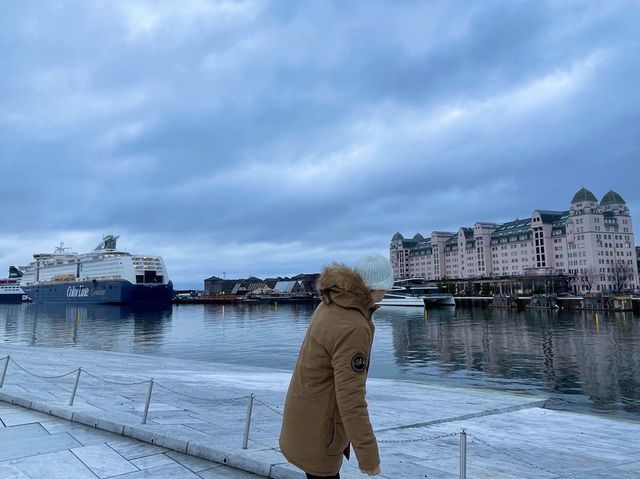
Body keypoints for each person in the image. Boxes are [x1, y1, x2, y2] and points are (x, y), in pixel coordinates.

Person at [279, 253, 394, 478]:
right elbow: (351, 398)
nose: (387, 292)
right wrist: (368, 456)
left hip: (304, 416)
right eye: (386, 286)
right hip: (321, 428)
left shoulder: (330, 304)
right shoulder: (354, 327)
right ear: (378, 288)